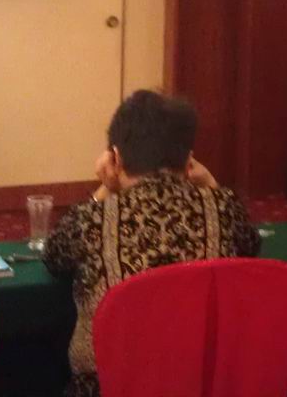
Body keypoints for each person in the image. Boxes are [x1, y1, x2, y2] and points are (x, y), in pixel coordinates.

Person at [43, 90, 259, 397]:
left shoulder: (91, 219)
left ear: (116, 158)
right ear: (188, 159)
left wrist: (105, 188)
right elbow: (251, 246)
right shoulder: (223, 207)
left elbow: (53, 257)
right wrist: (210, 183)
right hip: (200, 386)